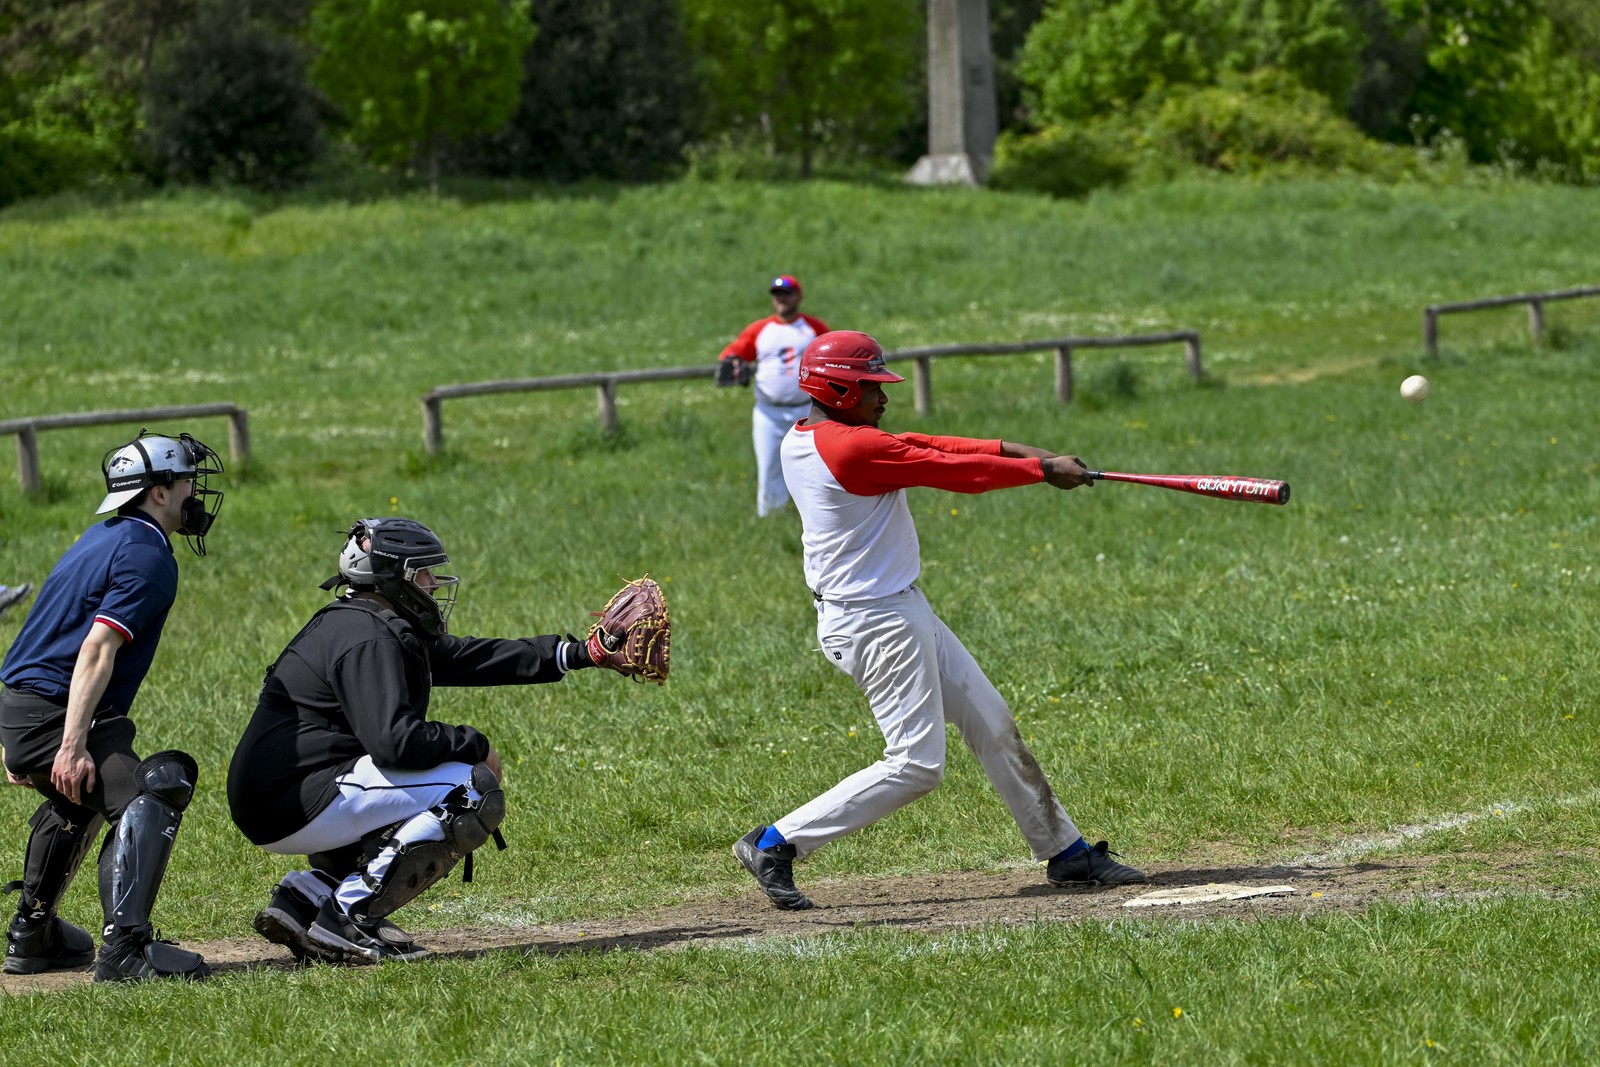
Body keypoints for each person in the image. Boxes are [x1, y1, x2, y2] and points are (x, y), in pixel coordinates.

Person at [732, 331, 1148, 910]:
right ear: (836, 388)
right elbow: (953, 471)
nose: (883, 397)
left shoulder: (813, 436)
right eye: (871, 387)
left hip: (896, 608)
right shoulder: (852, 451)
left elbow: (935, 443)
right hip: (875, 622)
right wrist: (1040, 473)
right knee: (916, 765)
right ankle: (776, 842)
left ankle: (1067, 852)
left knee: (991, 721)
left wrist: (1041, 457)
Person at [227, 517, 640, 965]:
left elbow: (469, 658)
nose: (432, 583)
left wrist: (580, 653)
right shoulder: (368, 637)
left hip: (281, 794)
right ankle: (347, 914)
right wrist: (474, 743)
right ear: (392, 577)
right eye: (421, 573)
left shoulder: (363, 620)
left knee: (431, 781)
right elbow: (395, 743)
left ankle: (307, 898)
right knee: (470, 789)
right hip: (292, 799)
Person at [1, 431, 224, 981]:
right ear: (158, 493)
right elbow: (96, 646)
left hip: (23, 708)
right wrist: (69, 744)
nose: (195, 490)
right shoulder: (147, 553)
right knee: (152, 788)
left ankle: (34, 936)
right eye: (187, 480)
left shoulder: (104, 536)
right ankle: (126, 950)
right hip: (51, 712)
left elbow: (39, 637)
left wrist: (15, 738)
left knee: (79, 796)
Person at [716, 274, 830, 517]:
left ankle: (814, 515)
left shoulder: (812, 327)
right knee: (769, 467)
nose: (781, 299)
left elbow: (832, 354)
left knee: (815, 465)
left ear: (799, 296)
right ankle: (771, 517)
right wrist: (734, 363)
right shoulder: (760, 329)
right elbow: (733, 353)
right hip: (769, 412)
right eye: (777, 294)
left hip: (807, 409)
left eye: (787, 293)